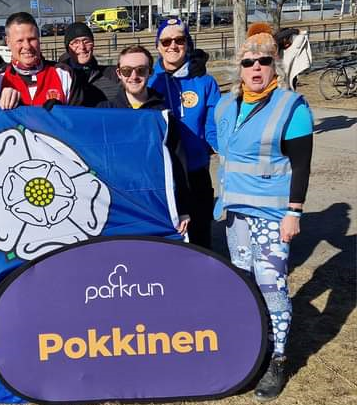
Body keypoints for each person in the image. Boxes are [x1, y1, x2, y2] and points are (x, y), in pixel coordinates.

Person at [212, 22, 313, 402]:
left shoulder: (291, 107)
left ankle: (279, 357)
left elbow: (301, 166)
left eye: (264, 61)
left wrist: (295, 213)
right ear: (239, 67)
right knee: (243, 280)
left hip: (272, 214)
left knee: (271, 283)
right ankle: (252, 347)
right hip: (235, 212)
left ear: (275, 65)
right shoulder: (225, 105)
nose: (256, 68)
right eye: (249, 62)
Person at [97, 45, 190, 235]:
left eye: (141, 70)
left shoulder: (163, 115)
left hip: (155, 203)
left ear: (150, 72)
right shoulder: (104, 113)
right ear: (119, 73)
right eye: (126, 71)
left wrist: (182, 208)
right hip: (118, 206)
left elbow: (178, 163)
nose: (133, 76)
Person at [148, 18, 221, 249]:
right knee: (169, 238)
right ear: (158, 46)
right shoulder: (149, 82)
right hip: (163, 174)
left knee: (200, 234)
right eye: (166, 41)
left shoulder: (205, 82)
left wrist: (225, 151)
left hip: (196, 171)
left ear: (188, 43)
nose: (173, 45)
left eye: (179, 40)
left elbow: (214, 126)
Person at [0, 12, 82, 108]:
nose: (27, 46)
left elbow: (77, 119)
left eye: (32, 39)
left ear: (39, 39)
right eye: (20, 40)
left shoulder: (65, 74)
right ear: (8, 42)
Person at [58, 22, 121, 107]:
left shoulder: (112, 75)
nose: (82, 47)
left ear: (93, 44)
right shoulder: (58, 77)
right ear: (68, 48)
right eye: (75, 42)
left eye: (86, 41)